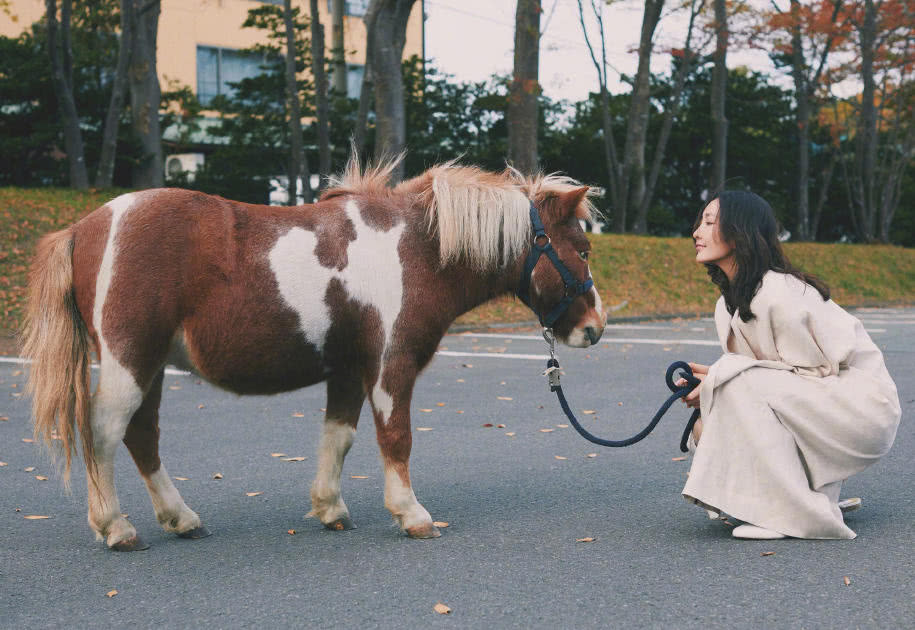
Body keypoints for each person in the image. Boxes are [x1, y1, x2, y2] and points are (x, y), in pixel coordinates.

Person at [679, 191, 901, 540]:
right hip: (816, 402)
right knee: (706, 425)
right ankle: (781, 501)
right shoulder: (728, 305)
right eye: (699, 222)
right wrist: (713, 385)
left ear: (740, 231)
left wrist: (721, 377)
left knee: (731, 385)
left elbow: (814, 374)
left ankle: (803, 513)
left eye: (708, 222)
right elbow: (764, 384)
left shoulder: (779, 292)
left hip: (862, 409)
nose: (696, 231)